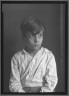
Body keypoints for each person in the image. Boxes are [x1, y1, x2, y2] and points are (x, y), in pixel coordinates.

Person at [9, 17, 58, 92]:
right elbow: (14, 83)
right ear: (24, 37)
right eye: (32, 35)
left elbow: (52, 80)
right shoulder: (17, 58)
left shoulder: (48, 55)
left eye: (40, 36)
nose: (37, 40)